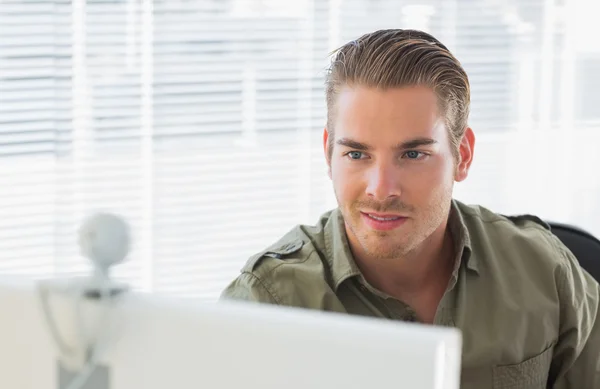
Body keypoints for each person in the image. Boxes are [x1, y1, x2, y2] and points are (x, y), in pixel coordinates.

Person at [220, 29, 600, 388]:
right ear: (328, 153)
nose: (381, 189)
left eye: (413, 153)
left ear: (462, 155)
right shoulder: (266, 303)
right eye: (356, 153)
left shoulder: (542, 268)